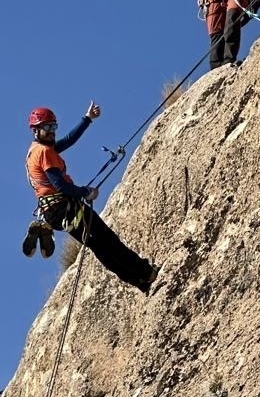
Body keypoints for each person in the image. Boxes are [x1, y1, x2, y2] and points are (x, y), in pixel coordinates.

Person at [24, 103, 160, 294]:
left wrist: (86, 119)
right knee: (106, 240)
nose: (52, 131)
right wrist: (85, 192)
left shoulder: (37, 149)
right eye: (47, 127)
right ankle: (145, 272)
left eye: (54, 126)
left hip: (55, 211)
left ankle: (140, 280)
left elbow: (68, 140)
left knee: (100, 245)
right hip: (64, 207)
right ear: (36, 130)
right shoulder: (44, 152)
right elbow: (60, 185)